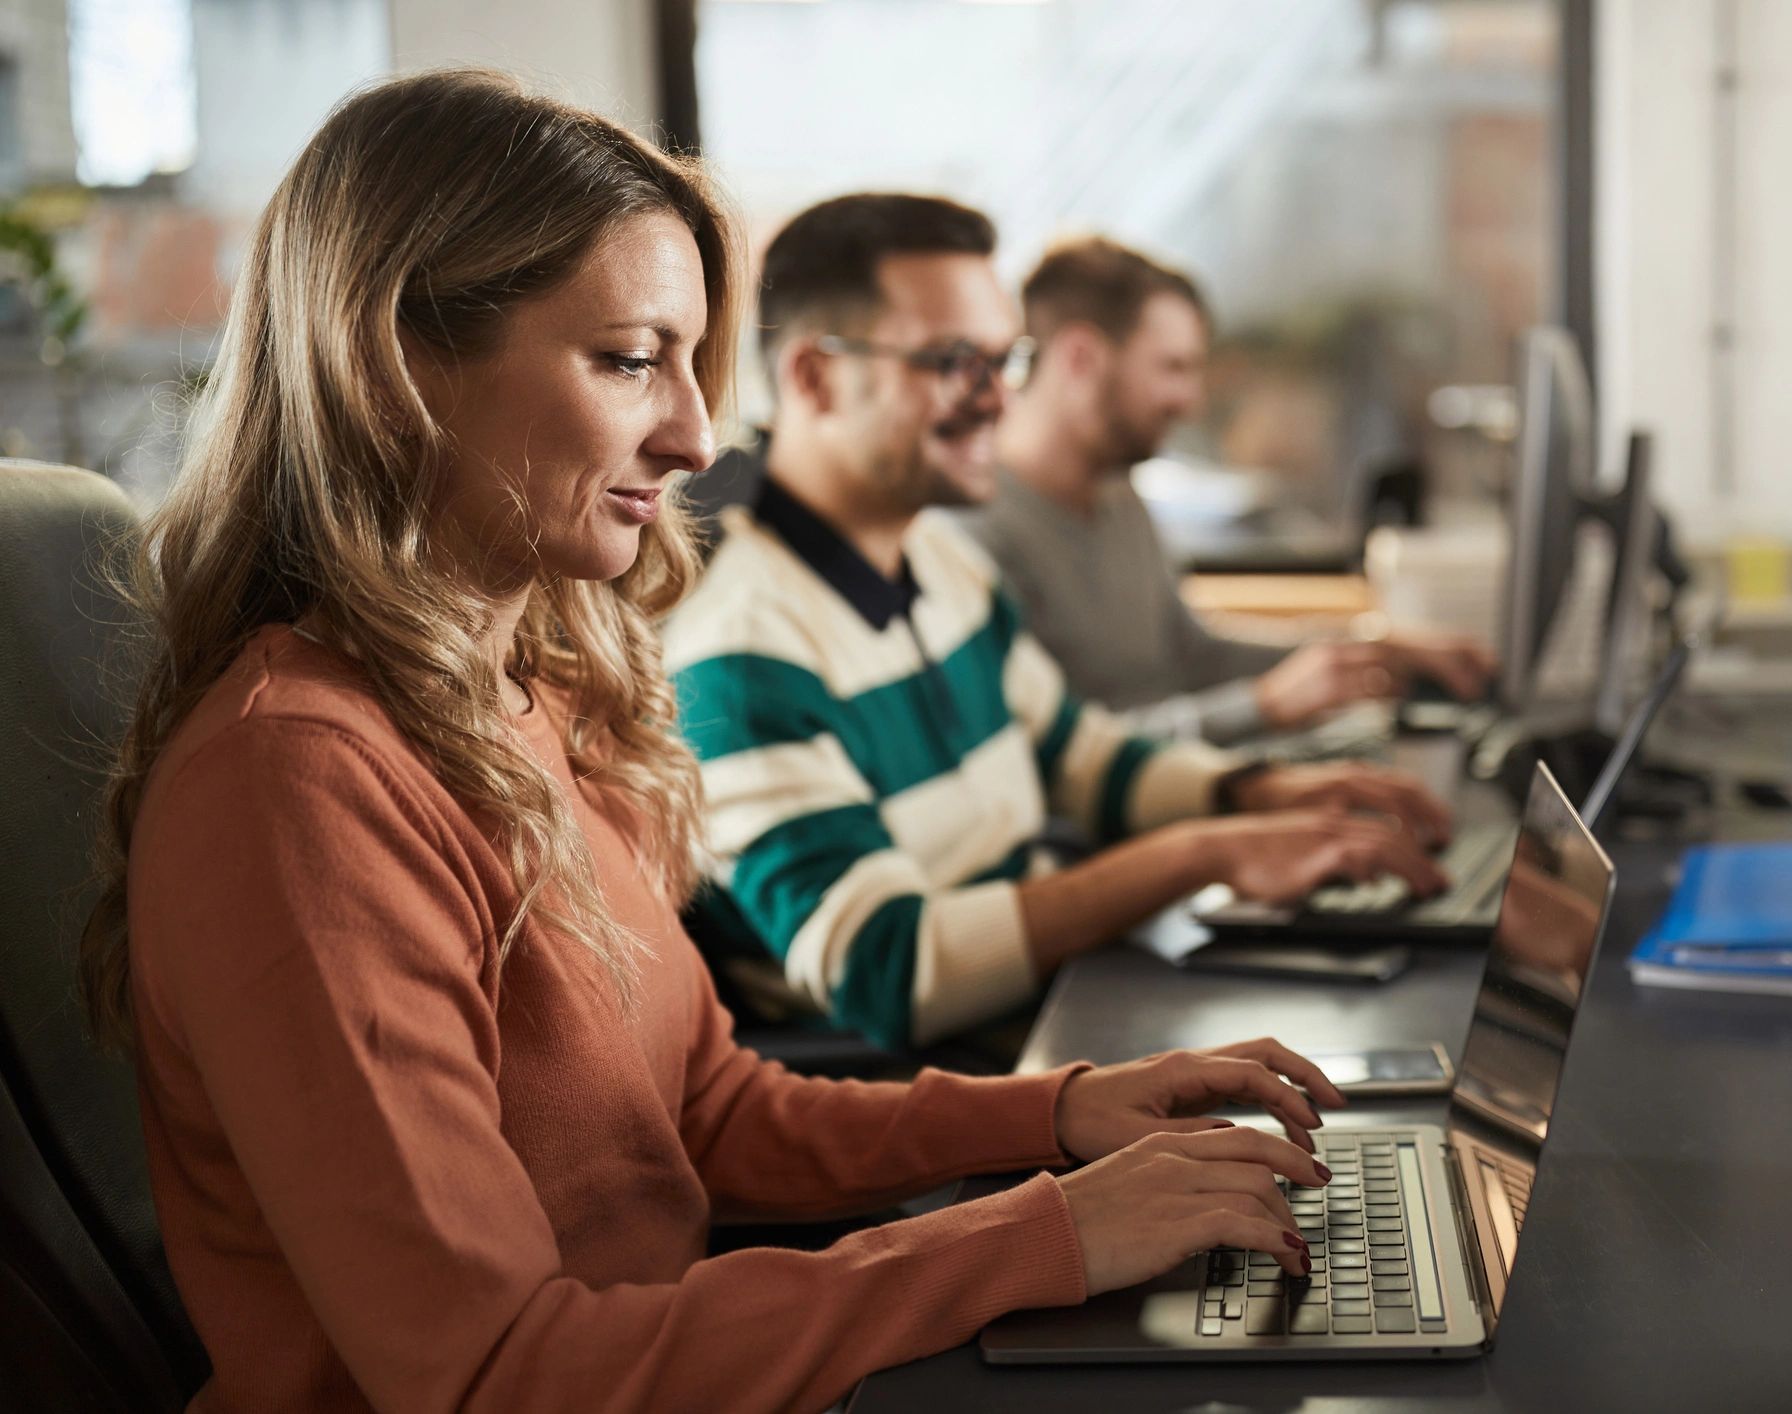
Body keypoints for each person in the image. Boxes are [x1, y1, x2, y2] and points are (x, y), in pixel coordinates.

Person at [79, 71, 1357, 1414]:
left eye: (692, 364)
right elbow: (493, 1375)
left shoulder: (535, 691)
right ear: (397, 365)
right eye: (631, 359)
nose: (693, 434)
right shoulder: (297, 785)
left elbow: (704, 1116)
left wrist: (1058, 1115)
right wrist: (1046, 1235)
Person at [664, 194, 1453, 1055]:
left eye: (1008, 360)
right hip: (938, 1090)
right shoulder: (740, 658)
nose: (1001, 399)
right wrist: (1201, 854)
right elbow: (888, 970)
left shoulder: (938, 561)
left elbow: (1077, 755)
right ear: (814, 377)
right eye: (955, 361)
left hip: (1053, 1007)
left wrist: (1259, 795)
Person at [955, 235, 1495, 745]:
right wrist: (1264, 706)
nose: (1189, 402)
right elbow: (1057, 756)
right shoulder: (975, 533)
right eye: (1172, 367)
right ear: (1080, 358)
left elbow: (1193, 656)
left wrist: (1371, 649)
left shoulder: (1116, 491)